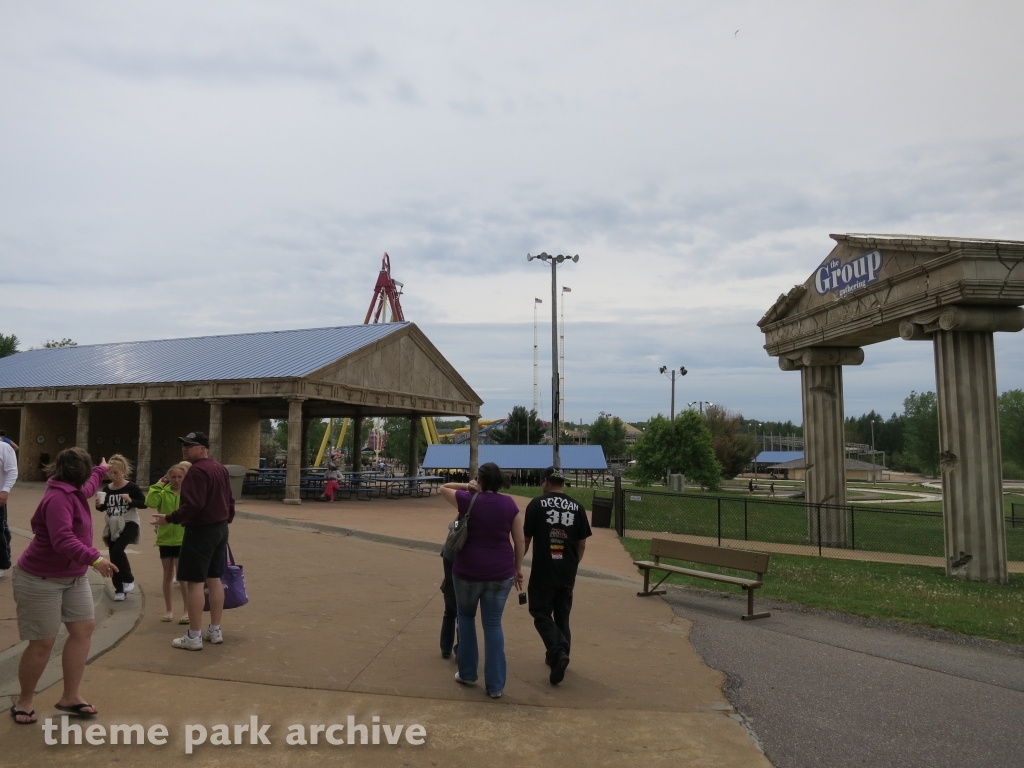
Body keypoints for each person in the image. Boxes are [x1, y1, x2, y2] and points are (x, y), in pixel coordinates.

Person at [9, 448, 119, 724]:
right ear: (77, 472)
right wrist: (95, 558)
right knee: (43, 642)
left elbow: (91, 486)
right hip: (39, 578)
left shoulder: (75, 490)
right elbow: (62, 539)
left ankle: (70, 696)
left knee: (82, 629)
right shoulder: (58, 498)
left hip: (72, 577)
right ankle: (24, 700)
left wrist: (101, 470)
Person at [439, 462, 524, 699]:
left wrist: (468, 486)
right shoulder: (510, 504)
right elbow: (520, 541)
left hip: (467, 571)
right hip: (501, 572)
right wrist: (517, 568)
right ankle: (495, 685)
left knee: (465, 618)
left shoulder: (468, 499)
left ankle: (467, 673)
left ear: (480, 479)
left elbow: (443, 487)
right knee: (493, 624)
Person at [152, 431, 234, 651]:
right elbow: (229, 498)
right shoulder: (219, 468)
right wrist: (227, 518)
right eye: (183, 445)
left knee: (196, 582)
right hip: (220, 528)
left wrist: (170, 518)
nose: (184, 448)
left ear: (203, 448)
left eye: (190, 445)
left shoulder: (197, 471)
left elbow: (193, 505)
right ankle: (215, 630)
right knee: (215, 579)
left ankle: (194, 635)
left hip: (200, 531)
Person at [523, 466, 592, 685]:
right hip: (567, 571)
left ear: (545, 481)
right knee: (562, 615)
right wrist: (572, 565)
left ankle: (558, 651)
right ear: (562, 482)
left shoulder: (536, 505)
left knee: (540, 611)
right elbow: (582, 544)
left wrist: (515, 564)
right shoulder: (578, 507)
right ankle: (560, 655)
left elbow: (526, 540)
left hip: (544, 569)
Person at [95, 454, 146, 601]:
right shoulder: (107, 489)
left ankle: (129, 579)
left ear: (123, 471)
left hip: (129, 522)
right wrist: (99, 505)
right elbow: (103, 508)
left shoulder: (132, 487)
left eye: (116, 472)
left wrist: (131, 500)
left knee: (118, 549)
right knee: (113, 555)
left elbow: (144, 503)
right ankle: (119, 589)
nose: (113, 476)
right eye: (110, 473)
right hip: (112, 524)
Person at [146, 461, 192, 623]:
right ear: (168, 478)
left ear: (184, 478)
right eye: (173, 477)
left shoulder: (188, 493)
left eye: (180, 477)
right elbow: (150, 503)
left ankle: (187, 611)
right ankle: (169, 610)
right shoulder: (163, 492)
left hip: (182, 538)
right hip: (165, 539)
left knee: (182, 577)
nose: (176, 480)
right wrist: (157, 486)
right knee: (167, 575)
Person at [0, 436, 17, 579]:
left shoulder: (4, 448)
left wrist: (5, 490)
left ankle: (1, 563)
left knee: (0, 530)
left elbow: (12, 470)